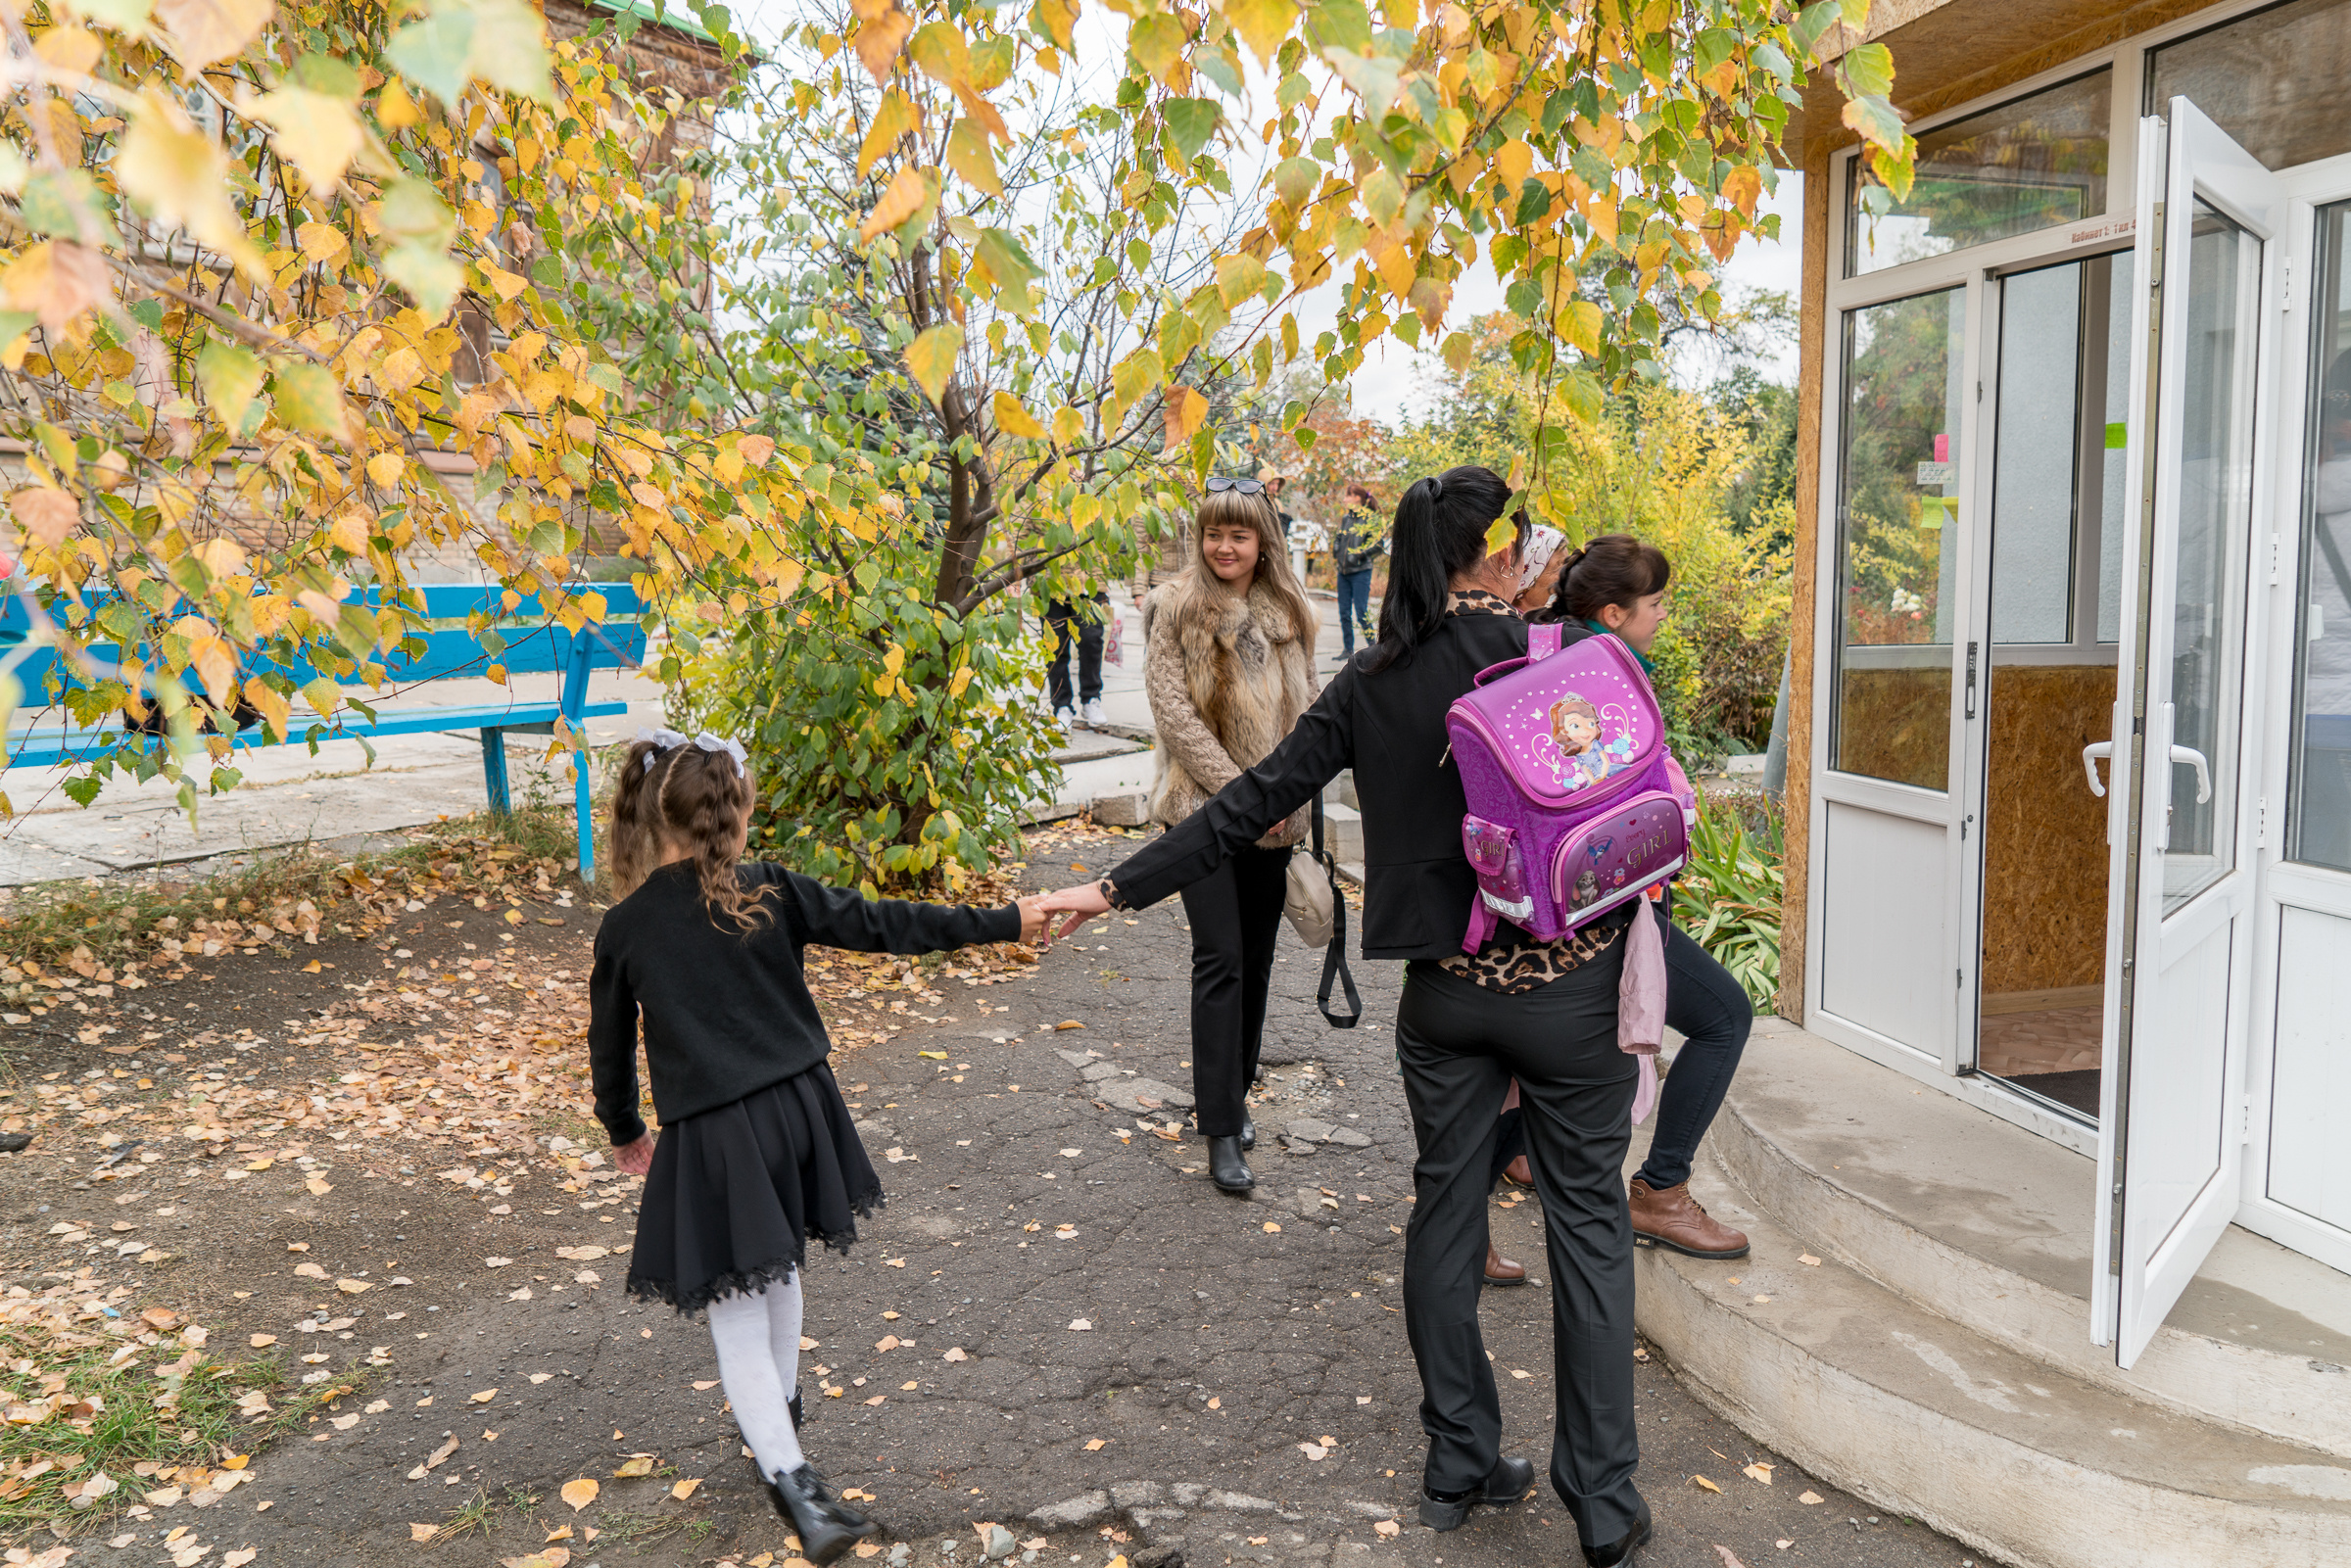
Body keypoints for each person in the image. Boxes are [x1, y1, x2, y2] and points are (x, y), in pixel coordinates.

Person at [1038, 467, 1654, 1567]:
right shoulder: (1567, 659)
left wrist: (1106, 890)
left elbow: (1243, 804)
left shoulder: (1374, 677)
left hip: (1447, 997)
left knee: (1444, 1213)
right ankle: (1603, 1498)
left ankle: (1458, 1454)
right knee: (1591, 1232)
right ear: (1503, 555)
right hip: (1572, 993)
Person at [589, 728, 1050, 1565]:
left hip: (716, 1138)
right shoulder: (772, 889)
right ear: (731, 812)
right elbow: (887, 923)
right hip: (799, 1112)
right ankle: (782, 1418)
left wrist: (624, 1129)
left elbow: (609, 1046)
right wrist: (1008, 918)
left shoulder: (626, 927)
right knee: (779, 1269)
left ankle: (796, 1485)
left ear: (648, 816)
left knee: (736, 1313)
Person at [1535, 534, 1751, 1261]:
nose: (1663, 614)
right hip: (1617, 908)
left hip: (1568, 908)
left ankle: (1502, 1168)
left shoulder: (1553, 655)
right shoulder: (1602, 677)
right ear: (1614, 612)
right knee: (1724, 1015)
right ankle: (1661, 1190)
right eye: (1655, 603)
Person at [1141, 475, 1320, 1194]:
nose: (1224, 545)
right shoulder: (1177, 606)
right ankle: (1218, 1124)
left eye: (1239, 534)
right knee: (1219, 960)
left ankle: (1239, 1089)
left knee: (1256, 958)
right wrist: (1244, 793)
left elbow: (1308, 713)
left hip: (1275, 822)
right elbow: (1173, 713)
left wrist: (1286, 797)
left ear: (1262, 541)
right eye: (1214, 532)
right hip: (1202, 815)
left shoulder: (1290, 611)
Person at [1332, 483, 1387, 660]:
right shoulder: (1347, 518)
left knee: (1361, 611)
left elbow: (1378, 545)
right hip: (1343, 572)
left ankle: (1374, 647)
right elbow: (1340, 537)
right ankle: (1348, 649)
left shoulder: (1370, 518)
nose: (1344, 499)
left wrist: (1358, 556)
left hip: (1360, 571)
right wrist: (1336, 547)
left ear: (1357, 498)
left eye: (1347, 496)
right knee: (1343, 612)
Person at [1046, 594, 1108, 728]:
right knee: (1055, 646)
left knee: (1091, 639)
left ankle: (1091, 698)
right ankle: (1062, 706)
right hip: (1050, 585)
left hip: (1087, 585)